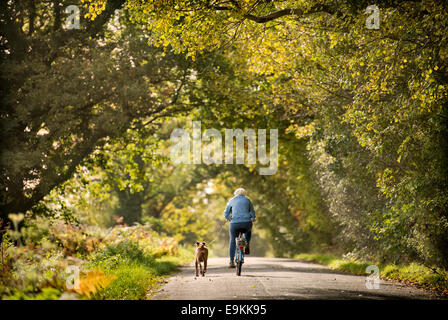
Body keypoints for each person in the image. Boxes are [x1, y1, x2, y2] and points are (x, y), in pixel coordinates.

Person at [223, 188, 255, 268]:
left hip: (234, 224)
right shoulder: (247, 200)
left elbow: (226, 212)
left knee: (233, 240)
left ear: (235, 193)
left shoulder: (231, 200)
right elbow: (252, 211)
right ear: (244, 193)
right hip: (246, 223)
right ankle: (247, 243)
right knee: (248, 230)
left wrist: (227, 217)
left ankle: (231, 261)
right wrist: (253, 218)